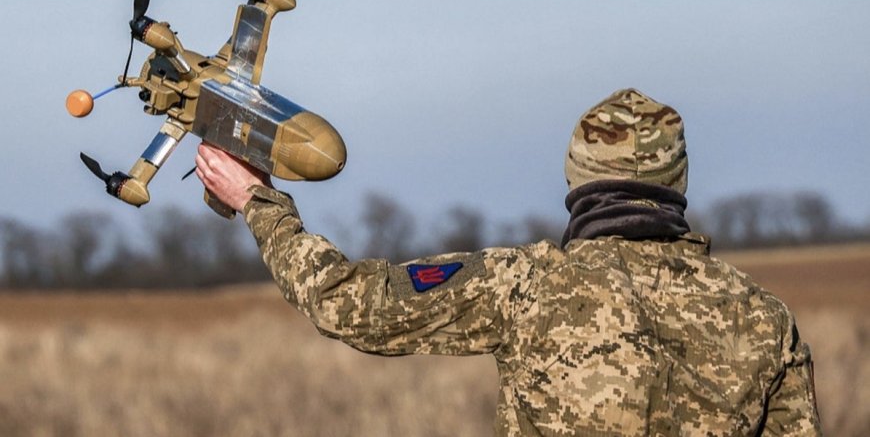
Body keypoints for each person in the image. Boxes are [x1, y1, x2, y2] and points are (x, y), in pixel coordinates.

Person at [195, 88, 822, 436]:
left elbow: (350, 305)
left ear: (578, 181)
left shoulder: (530, 285)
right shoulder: (763, 316)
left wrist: (257, 201)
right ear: (677, 182)